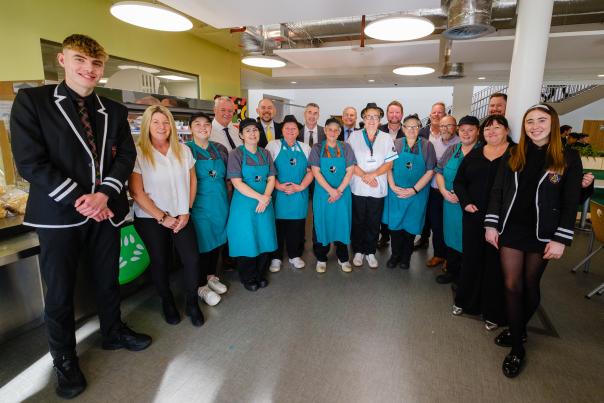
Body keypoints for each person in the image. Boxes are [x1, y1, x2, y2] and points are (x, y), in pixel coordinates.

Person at [10, 34, 151, 399]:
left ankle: (113, 331)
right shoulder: (32, 102)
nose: (88, 70)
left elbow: (126, 158)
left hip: (105, 211)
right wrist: (81, 198)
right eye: (80, 61)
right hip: (58, 214)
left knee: (107, 278)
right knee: (59, 292)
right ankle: (65, 358)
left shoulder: (114, 110)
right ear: (62, 60)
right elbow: (29, 162)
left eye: (96, 64)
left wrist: (104, 194)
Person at [485, 103, 583, 378]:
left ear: (552, 124)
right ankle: (517, 346)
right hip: (512, 229)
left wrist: (562, 239)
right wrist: (491, 225)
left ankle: (519, 328)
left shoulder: (569, 157)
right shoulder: (514, 153)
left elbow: (570, 201)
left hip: (544, 233)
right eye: (530, 121)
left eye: (541, 120)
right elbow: (498, 191)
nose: (535, 126)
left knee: (530, 284)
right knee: (512, 285)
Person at [130, 106, 204, 328]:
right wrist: (162, 218)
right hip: (150, 218)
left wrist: (186, 210)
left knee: (192, 259)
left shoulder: (183, 150)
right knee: (160, 261)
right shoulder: (139, 153)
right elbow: (137, 192)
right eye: (156, 122)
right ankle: (167, 300)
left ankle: (192, 302)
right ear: (147, 126)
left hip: (182, 216)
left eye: (165, 122)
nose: (162, 127)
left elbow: (193, 181)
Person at [452, 115, 510, 330]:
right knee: (472, 259)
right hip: (473, 215)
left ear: (506, 130)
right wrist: (465, 203)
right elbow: (459, 182)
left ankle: (493, 311)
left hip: (502, 221)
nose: (492, 131)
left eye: (497, 127)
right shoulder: (475, 154)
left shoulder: (515, 154)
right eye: (488, 128)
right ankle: (465, 301)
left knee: (495, 264)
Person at [226, 118, 278, 291]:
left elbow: (271, 177)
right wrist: (260, 197)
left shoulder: (265, 153)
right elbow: (236, 182)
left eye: (255, 130)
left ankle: (261, 273)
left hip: (265, 201)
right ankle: (248, 277)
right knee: (246, 239)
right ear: (241, 134)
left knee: (264, 237)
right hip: (244, 204)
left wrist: (266, 196)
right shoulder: (236, 154)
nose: (252, 133)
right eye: (247, 131)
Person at [186, 112, 230, 307]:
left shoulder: (219, 149)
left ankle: (211, 276)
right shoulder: (186, 150)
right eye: (197, 124)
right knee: (203, 244)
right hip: (199, 205)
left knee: (217, 241)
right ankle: (201, 286)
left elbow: (226, 178)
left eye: (206, 124)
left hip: (220, 203)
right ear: (190, 128)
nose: (203, 127)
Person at [348, 103, 398, 268]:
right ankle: (358, 251)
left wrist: (373, 175)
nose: (372, 119)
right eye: (369, 116)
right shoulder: (354, 136)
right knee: (358, 220)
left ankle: (370, 252)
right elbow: (350, 162)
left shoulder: (386, 137)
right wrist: (365, 176)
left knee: (373, 220)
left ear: (380, 120)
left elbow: (389, 164)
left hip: (377, 187)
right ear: (363, 118)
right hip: (358, 186)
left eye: (375, 117)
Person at [383, 114, 436, 269]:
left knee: (411, 226)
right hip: (396, 193)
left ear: (419, 128)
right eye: (408, 126)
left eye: (415, 126)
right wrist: (392, 186)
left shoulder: (427, 146)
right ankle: (395, 255)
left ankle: (406, 257)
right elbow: (388, 168)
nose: (412, 129)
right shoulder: (395, 144)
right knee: (395, 226)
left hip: (417, 194)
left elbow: (430, 171)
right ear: (403, 128)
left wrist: (414, 190)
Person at [435, 116, 481, 285]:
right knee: (451, 236)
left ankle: (466, 276)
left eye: (470, 130)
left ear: (478, 131)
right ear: (458, 131)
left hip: (470, 205)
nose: (466, 133)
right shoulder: (453, 149)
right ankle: (452, 271)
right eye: (463, 130)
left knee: (467, 238)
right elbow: (438, 171)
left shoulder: (483, 150)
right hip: (450, 202)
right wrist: (443, 191)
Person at [266, 115, 313, 272]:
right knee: (278, 226)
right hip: (279, 193)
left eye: (294, 128)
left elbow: (311, 171)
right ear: (282, 130)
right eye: (287, 128)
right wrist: (278, 186)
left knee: (297, 226)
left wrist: (301, 187)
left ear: (298, 131)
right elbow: (267, 169)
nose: (291, 131)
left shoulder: (305, 148)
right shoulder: (273, 146)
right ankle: (276, 257)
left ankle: (294, 255)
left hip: (298, 194)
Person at [310, 118, 356, 273]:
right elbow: (316, 171)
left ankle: (343, 258)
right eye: (330, 129)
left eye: (337, 130)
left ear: (340, 132)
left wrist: (339, 190)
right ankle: (321, 258)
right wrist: (331, 190)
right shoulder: (317, 148)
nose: (333, 132)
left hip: (343, 194)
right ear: (325, 130)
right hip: (323, 194)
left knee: (342, 223)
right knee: (321, 223)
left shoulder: (346, 147)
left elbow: (350, 170)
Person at [420, 115, 461, 268]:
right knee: (437, 224)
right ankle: (439, 254)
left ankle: (451, 259)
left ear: (455, 127)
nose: (445, 129)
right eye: (442, 126)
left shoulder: (460, 143)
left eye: (448, 125)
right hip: (435, 189)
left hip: (453, 193)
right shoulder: (434, 143)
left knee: (452, 225)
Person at [377, 100, 405, 249]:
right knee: (382, 207)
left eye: (397, 112)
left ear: (402, 114)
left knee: (396, 207)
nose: (394, 115)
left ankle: (396, 237)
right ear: (387, 114)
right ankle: (384, 235)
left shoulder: (407, 131)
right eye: (391, 112)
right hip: (381, 174)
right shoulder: (379, 130)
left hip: (399, 175)